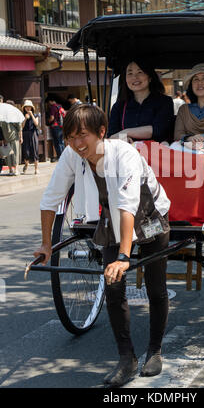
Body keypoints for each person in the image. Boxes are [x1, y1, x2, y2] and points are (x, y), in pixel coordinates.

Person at [33, 103, 171, 388]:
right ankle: (126, 357)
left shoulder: (125, 155)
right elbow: (51, 200)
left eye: (83, 135)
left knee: (155, 287)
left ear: (102, 132)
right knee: (113, 287)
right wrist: (47, 244)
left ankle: (155, 349)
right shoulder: (72, 155)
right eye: (70, 136)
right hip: (113, 216)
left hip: (150, 215)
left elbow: (129, 205)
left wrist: (123, 256)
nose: (77, 143)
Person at [107, 60, 174, 143]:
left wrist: (126, 132)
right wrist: (124, 138)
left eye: (140, 72)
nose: (134, 77)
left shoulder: (165, 102)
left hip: (156, 152)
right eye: (130, 73)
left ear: (150, 77)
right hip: (127, 153)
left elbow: (159, 130)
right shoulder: (119, 106)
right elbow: (112, 136)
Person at [21, 100, 39, 174]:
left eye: (29, 107)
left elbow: (36, 124)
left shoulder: (35, 115)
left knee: (35, 150)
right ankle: (26, 164)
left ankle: (36, 168)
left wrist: (31, 115)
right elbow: (22, 126)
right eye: (26, 107)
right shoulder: (22, 116)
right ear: (24, 108)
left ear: (32, 108)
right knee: (26, 151)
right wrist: (25, 118)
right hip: (25, 134)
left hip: (33, 134)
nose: (28, 109)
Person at [46, 94, 66, 159]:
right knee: (61, 142)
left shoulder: (53, 107)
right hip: (61, 126)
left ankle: (60, 156)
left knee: (57, 142)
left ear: (50, 101)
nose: (48, 104)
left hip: (55, 127)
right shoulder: (60, 106)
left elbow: (52, 118)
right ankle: (64, 156)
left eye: (48, 102)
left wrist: (48, 121)